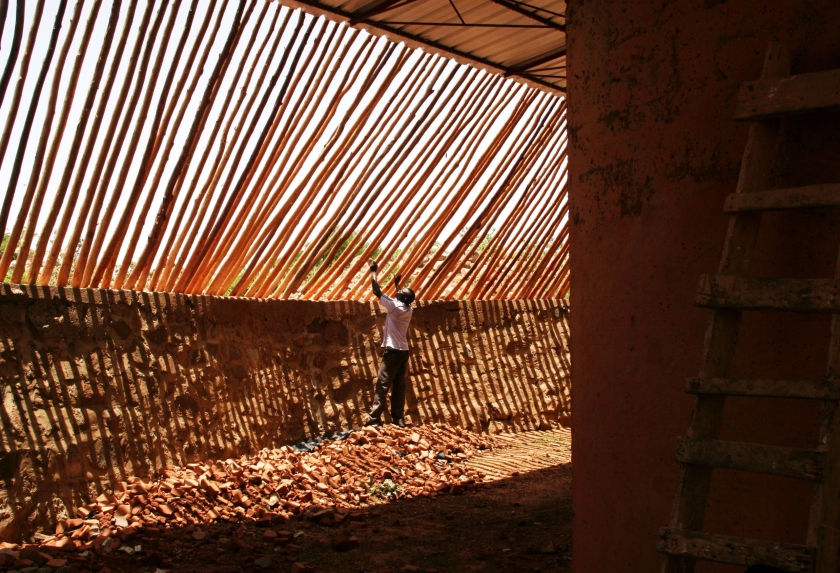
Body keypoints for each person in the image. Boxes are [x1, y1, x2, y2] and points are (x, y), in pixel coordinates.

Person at [365, 258, 415, 428]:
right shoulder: (408, 308)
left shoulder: (394, 306)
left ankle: (374, 418)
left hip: (393, 351)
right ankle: (398, 418)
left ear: (402, 298)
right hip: (404, 351)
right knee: (399, 384)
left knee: (383, 383)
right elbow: (402, 295)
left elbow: (376, 291)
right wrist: (397, 284)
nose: (397, 293)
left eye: (400, 292)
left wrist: (373, 271)